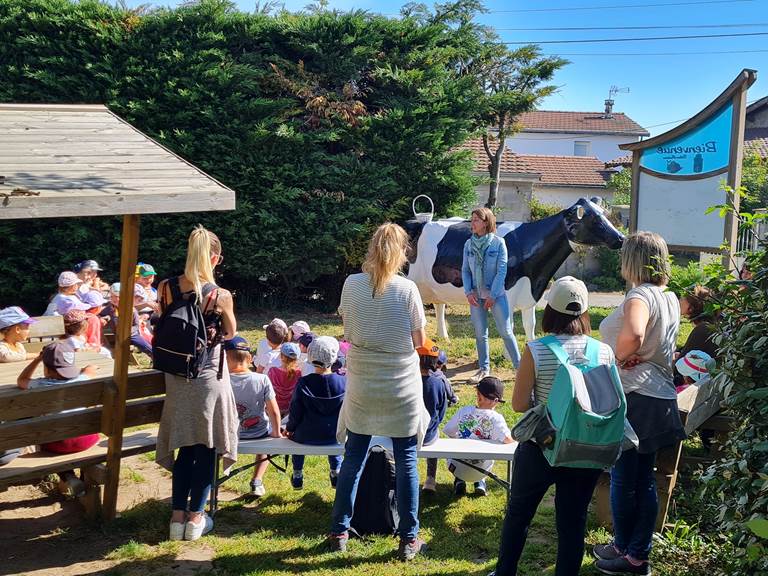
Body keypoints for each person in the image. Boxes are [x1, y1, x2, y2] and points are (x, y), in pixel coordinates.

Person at [490, 276, 615, 576]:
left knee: (519, 514)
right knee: (572, 523)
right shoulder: (604, 352)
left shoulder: (536, 349)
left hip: (541, 447)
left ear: (550, 311)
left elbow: (520, 404)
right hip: (585, 448)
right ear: (584, 313)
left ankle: (506, 571)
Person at [330, 222, 429, 561]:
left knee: (353, 456)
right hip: (400, 383)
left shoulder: (351, 284)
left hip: (363, 381)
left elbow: (348, 329)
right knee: (406, 460)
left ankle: (340, 529)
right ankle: (408, 538)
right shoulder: (407, 289)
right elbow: (419, 342)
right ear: (402, 252)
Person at [596, 231, 686, 576]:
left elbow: (633, 335)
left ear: (631, 259)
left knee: (623, 479)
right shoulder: (669, 296)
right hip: (659, 396)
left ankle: (627, 551)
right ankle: (636, 553)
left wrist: (617, 357)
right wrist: (635, 352)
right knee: (643, 480)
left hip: (636, 397)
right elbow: (655, 343)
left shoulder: (639, 295)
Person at [155, 225, 239, 542]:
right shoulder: (220, 295)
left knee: (185, 449)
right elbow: (230, 334)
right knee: (206, 447)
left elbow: (163, 323)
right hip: (208, 378)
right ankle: (195, 519)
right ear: (214, 258)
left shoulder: (165, 287)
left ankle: (176, 518)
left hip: (176, 378)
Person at [17, 340, 100, 496]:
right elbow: (90, 370)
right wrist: (87, 369)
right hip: (87, 439)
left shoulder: (39, 384)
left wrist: (36, 359)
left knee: (50, 433)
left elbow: (21, 380)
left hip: (57, 445)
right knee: (74, 429)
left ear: (47, 369)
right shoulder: (82, 378)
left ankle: (67, 475)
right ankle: (84, 478)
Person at [462, 207, 521, 383]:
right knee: (480, 334)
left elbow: (502, 271)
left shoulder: (498, 243)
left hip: (496, 296)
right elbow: (465, 271)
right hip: (476, 296)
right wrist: (468, 292)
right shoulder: (468, 245)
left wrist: (493, 295)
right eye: (471, 220)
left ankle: (520, 369)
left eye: (476, 220)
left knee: (506, 331)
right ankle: (483, 369)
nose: (472, 223)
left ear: (486, 222)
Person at [286, 336, 346, 490]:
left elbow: (295, 411)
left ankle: (298, 472)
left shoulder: (304, 382)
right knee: (334, 431)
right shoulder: (343, 382)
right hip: (334, 435)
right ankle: (335, 471)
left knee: (296, 439)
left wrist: (290, 428)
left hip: (305, 435)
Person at [225, 336, 281, 498]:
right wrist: (276, 432)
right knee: (265, 439)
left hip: (228, 436)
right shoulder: (262, 379)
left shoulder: (221, 381)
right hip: (258, 434)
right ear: (250, 359)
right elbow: (274, 411)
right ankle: (257, 480)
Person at [444, 376, 513, 497]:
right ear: (496, 401)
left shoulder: (463, 411)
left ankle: (459, 480)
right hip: (482, 470)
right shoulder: (496, 418)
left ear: (478, 395)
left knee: (454, 448)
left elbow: (448, 430)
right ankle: (480, 481)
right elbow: (508, 440)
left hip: (457, 468)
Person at [417, 337, 448, 493]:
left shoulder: (405, 380)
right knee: (435, 431)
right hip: (428, 436)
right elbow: (441, 412)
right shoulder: (438, 383)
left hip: (403, 433)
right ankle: (430, 479)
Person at [100, 283, 153, 357]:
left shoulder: (132, 310)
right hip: (116, 334)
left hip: (131, 335)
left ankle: (155, 356)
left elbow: (136, 325)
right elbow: (101, 315)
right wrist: (103, 318)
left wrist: (129, 331)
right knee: (112, 343)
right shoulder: (109, 309)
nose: (114, 299)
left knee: (145, 346)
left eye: (117, 296)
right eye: (112, 296)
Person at [676, 285, 718, 364]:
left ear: (692, 307)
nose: (679, 300)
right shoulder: (709, 326)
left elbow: (680, 366)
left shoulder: (703, 329)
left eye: (683, 298)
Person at [268, 342, 302, 418]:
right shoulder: (299, 373)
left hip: (275, 407)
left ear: (281, 356)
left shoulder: (273, 371)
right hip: (290, 409)